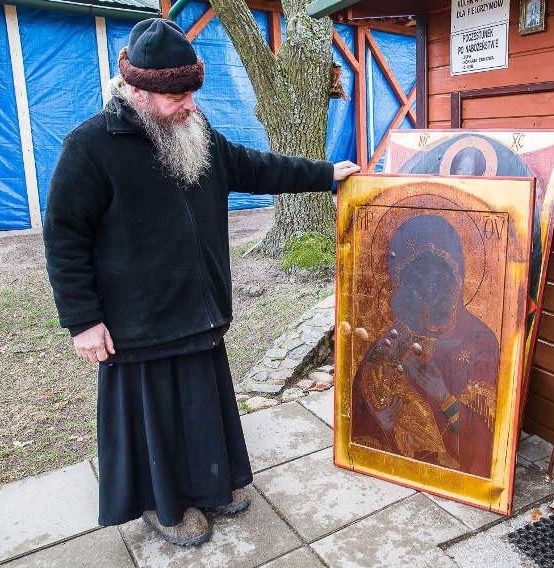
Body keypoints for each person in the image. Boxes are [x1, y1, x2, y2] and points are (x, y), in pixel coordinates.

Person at [42, 18, 360, 547]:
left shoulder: (197, 132)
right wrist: (83, 321)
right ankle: (162, 507)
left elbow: (257, 167)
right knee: (155, 420)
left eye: (192, 92)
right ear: (137, 91)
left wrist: (326, 174)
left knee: (200, 405)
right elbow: (63, 237)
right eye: (176, 96)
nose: (189, 104)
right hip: (137, 324)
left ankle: (212, 486)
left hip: (198, 309)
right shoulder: (90, 147)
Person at [351, 215, 499, 478]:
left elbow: (487, 435)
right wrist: (381, 421)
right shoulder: (395, 336)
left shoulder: (479, 340)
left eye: (437, 274)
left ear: (456, 277)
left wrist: (442, 395)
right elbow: (361, 408)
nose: (428, 286)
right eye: (416, 276)